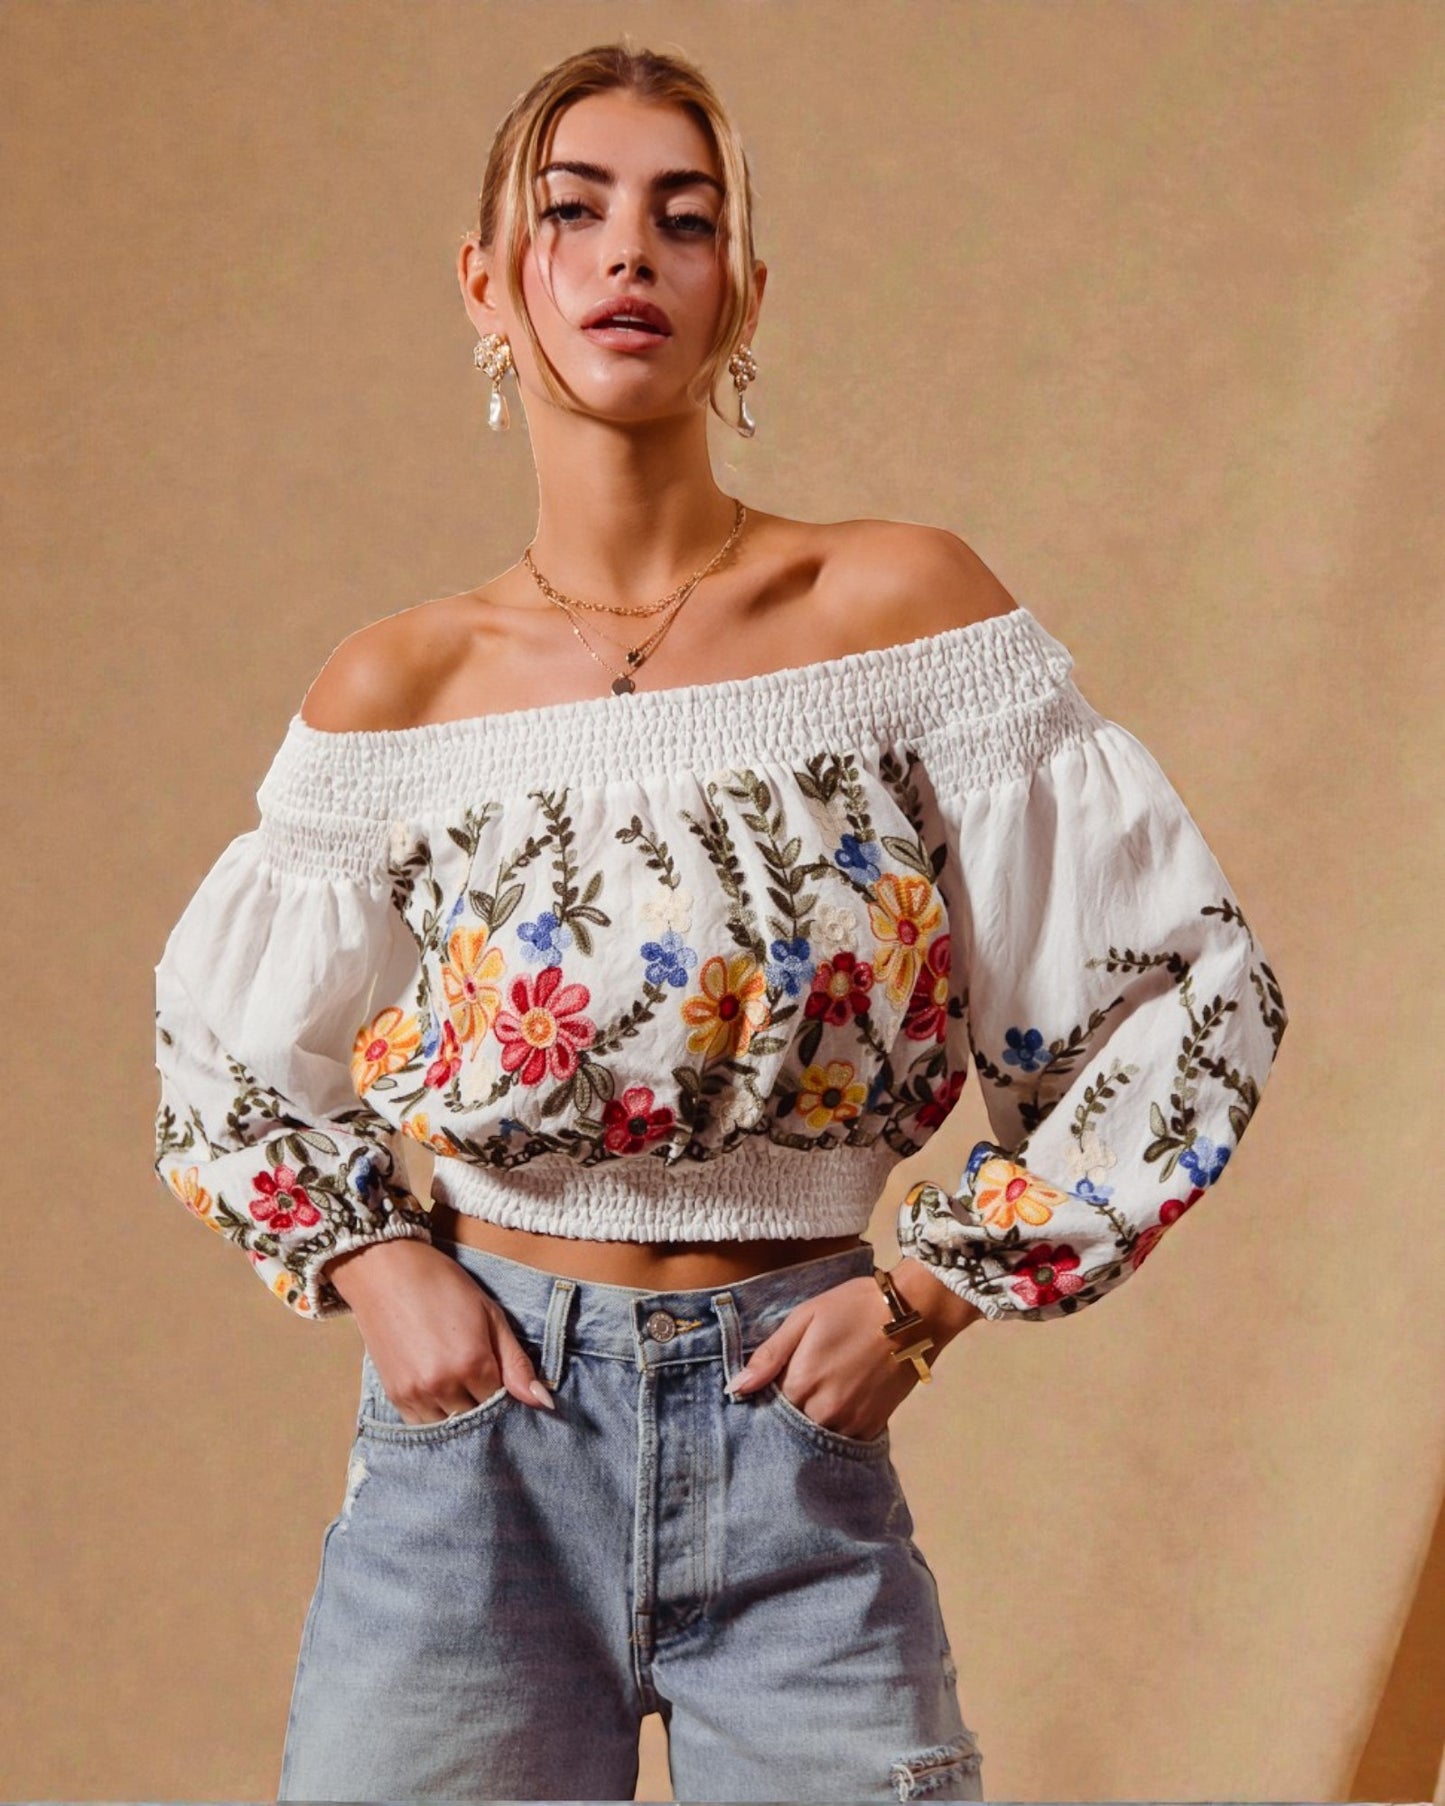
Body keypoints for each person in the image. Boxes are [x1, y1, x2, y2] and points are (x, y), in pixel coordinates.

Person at [149, 39, 1289, 1806]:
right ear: (485, 282)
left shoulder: (901, 609)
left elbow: (1178, 1000)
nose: (628, 257)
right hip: (485, 1457)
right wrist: (380, 1266)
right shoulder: (404, 685)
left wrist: (920, 1294)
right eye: (572, 212)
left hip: (792, 1438)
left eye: (685, 221)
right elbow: (222, 1055)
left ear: (740, 289)